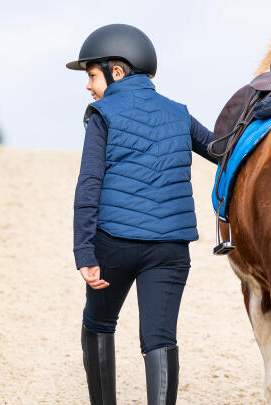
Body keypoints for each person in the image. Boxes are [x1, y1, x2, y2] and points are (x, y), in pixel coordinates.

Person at [66, 24, 216, 405]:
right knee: (160, 338)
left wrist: (84, 252)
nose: (88, 86)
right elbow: (221, 150)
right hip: (169, 251)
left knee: (98, 323)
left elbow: (89, 186)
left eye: (92, 75)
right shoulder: (179, 113)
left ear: (117, 71)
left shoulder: (102, 113)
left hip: (113, 245)